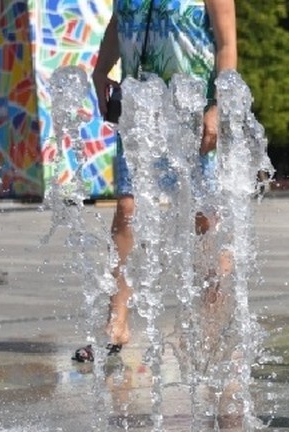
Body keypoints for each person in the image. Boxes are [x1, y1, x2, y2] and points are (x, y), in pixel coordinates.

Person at [73, 0, 237, 362]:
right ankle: (116, 323)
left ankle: (212, 324)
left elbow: (226, 44)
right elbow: (119, 23)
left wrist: (217, 107)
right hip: (140, 110)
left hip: (193, 112)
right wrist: (101, 70)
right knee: (127, 210)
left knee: (205, 218)